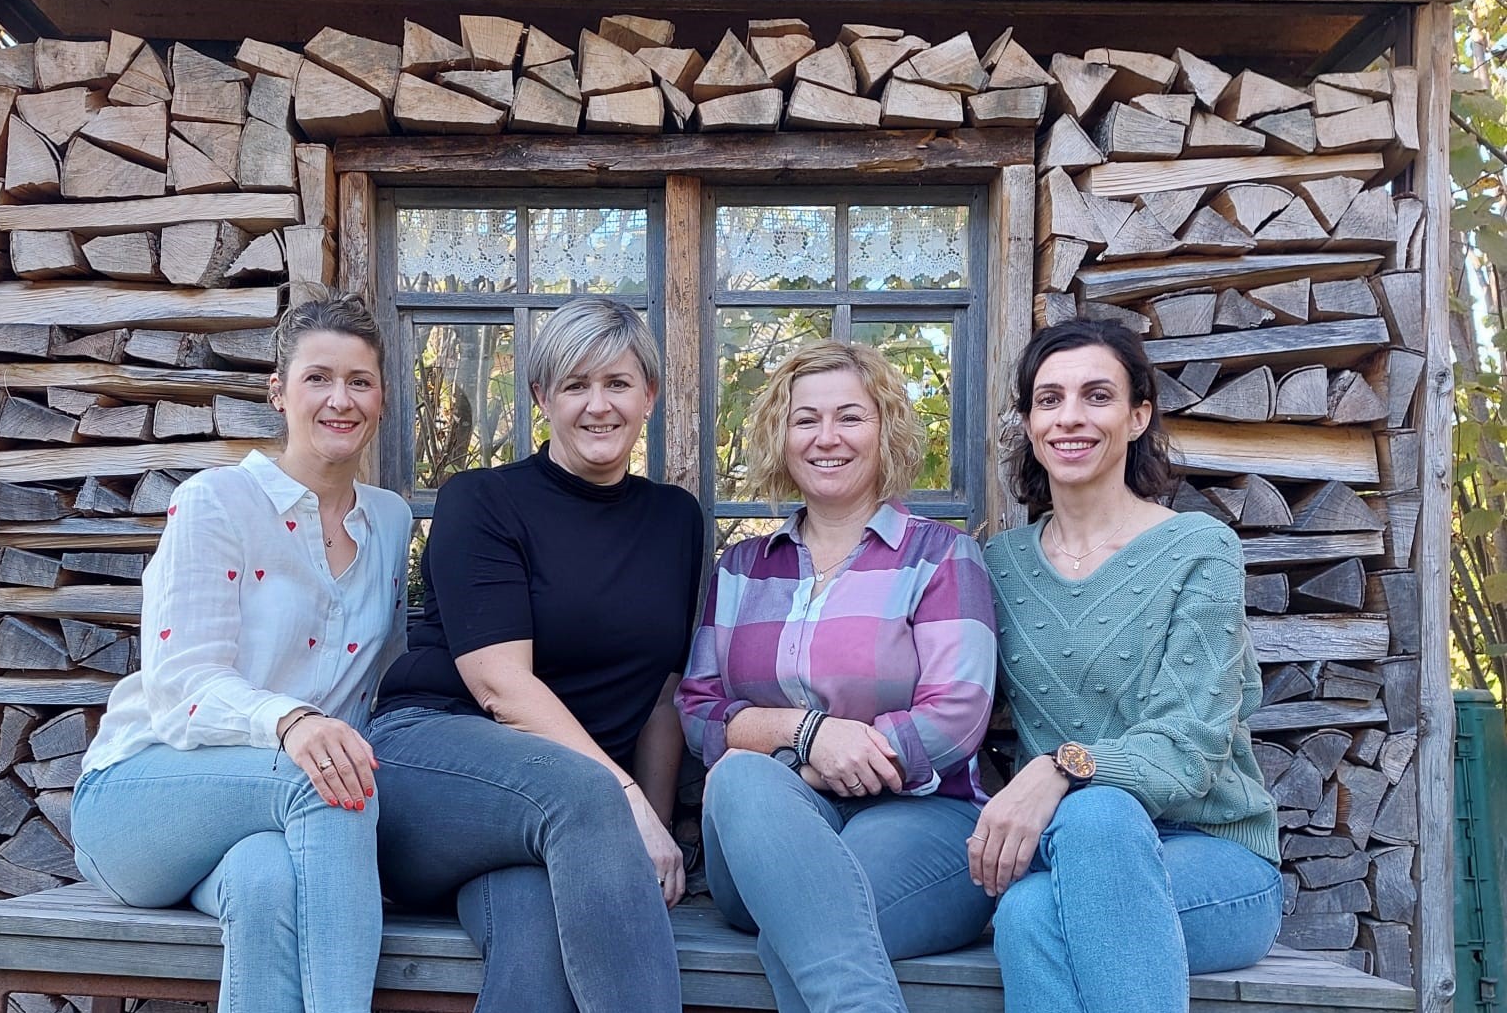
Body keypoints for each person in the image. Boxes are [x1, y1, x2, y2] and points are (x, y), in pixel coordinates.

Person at [70, 292, 411, 1013]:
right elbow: (181, 688)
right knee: (333, 780)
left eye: (360, 381)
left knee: (264, 882)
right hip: (138, 800)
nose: (340, 399)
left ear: (381, 398)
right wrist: (292, 722)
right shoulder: (217, 501)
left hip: (270, 821)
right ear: (278, 392)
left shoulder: (389, 521)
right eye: (318, 378)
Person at [365, 295, 703, 1013]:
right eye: (576, 385)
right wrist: (625, 802)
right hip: (431, 767)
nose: (598, 405)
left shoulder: (675, 519)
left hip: (556, 824)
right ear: (542, 397)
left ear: (649, 395)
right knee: (583, 799)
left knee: (533, 946)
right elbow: (499, 686)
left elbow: (661, 696)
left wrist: (654, 828)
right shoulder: (482, 500)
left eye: (617, 383)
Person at [676, 339, 998, 1013]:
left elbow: (957, 715)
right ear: (782, 437)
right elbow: (700, 710)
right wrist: (809, 736)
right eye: (806, 420)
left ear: (887, 430)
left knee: (807, 921)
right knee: (740, 780)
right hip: (761, 830)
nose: (828, 438)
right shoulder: (742, 569)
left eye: (850, 417)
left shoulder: (941, 557)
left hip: (923, 819)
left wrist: (814, 762)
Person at [976, 317, 1282, 1013]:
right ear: (1028, 423)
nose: (1070, 418)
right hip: (1068, 853)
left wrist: (1059, 767)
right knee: (1029, 905)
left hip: (1217, 863)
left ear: (1138, 416)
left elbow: (1188, 750)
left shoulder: (1200, 549)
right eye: (1049, 400)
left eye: (1097, 396)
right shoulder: (1000, 565)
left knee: (1092, 821)